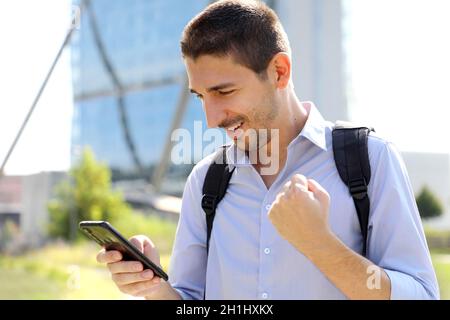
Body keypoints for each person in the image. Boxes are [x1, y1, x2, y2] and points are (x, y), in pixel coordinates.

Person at [96, 0, 439, 300]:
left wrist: (321, 245)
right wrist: (153, 287)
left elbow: (421, 296)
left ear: (279, 71)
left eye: (224, 91)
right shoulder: (205, 182)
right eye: (201, 96)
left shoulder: (370, 161)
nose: (212, 118)